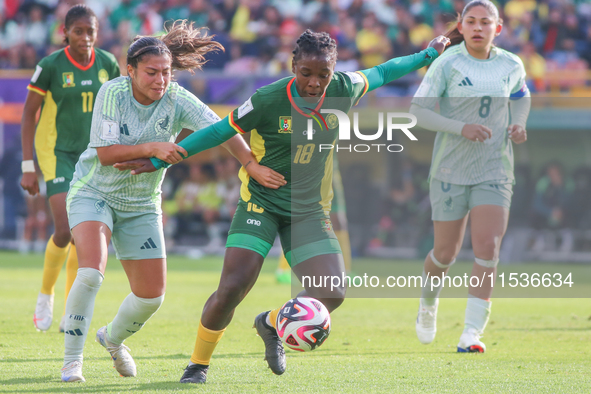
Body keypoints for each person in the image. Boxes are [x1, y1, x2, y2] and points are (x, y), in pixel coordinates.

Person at [117, 29, 449, 383]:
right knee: (232, 288)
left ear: (334, 72)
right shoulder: (267, 100)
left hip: (309, 211)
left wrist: (427, 55)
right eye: (306, 73)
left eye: (323, 74)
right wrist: (163, 159)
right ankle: (198, 364)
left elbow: (384, 71)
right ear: (294, 66)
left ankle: (272, 321)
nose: (314, 83)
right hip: (261, 204)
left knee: (333, 291)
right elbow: (220, 131)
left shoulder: (344, 88)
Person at [60, 20, 282, 383]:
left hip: (142, 203)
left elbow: (223, 128)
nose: (160, 80)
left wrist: (250, 164)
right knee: (90, 273)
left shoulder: (177, 99)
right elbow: (105, 155)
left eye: (165, 72)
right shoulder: (112, 94)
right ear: (129, 70)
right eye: (151, 72)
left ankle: (112, 339)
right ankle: (72, 362)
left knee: (151, 298)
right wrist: (152, 146)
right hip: (93, 193)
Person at [410, 0, 530, 353]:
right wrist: (461, 127)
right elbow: (417, 111)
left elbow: (522, 96)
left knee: (488, 249)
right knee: (445, 253)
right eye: (471, 22)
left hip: (495, 169)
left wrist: (519, 123)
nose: (478, 28)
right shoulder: (447, 63)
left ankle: (471, 334)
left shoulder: (511, 64)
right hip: (450, 169)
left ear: (498, 28)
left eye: (485, 22)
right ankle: (428, 304)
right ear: (460, 27)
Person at [20, 4, 120, 333]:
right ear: (65, 33)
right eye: (78, 31)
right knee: (64, 230)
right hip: (56, 152)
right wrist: (28, 166)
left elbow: (121, 109)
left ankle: (68, 313)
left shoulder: (107, 63)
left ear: (97, 33)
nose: (85, 38)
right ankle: (45, 293)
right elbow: (27, 116)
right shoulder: (50, 65)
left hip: (91, 156)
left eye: (90, 31)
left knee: (81, 235)